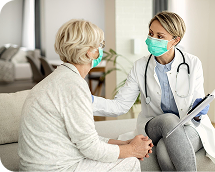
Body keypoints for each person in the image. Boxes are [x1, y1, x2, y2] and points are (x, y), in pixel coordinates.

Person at [92, 11, 215, 172]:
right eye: (150, 33)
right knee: (168, 119)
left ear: (175, 40)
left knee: (163, 148)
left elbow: (195, 106)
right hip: (155, 126)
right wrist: (89, 99)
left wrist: (198, 111)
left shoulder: (192, 63)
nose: (152, 39)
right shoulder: (140, 66)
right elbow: (120, 105)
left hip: (188, 126)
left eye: (160, 36)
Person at [18, 19, 153, 172]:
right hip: (55, 168)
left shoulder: (59, 79)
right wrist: (132, 151)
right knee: (130, 161)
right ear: (89, 51)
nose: (101, 50)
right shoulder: (73, 86)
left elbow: (82, 137)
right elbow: (90, 147)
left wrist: (124, 144)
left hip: (42, 164)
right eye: (100, 45)